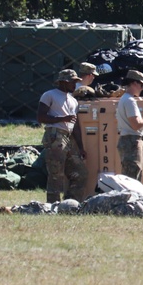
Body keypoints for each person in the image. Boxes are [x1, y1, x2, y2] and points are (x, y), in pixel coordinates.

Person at [36, 69, 88, 203]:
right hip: (55, 135)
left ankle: (70, 203)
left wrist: (81, 147)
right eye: (72, 82)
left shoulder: (73, 101)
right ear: (64, 82)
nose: (74, 85)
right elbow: (41, 117)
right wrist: (61, 118)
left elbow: (75, 125)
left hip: (69, 137)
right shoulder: (49, 95)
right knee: (56, 174)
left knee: (80, 173)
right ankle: (52, 205)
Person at [115, 70, 143, 181]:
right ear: (134, 83)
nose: (142, 88)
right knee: (132, 178)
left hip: (127, 140)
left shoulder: (124, 99)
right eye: (141, 85)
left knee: (130, 176)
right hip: (131, 141)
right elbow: (136, 125)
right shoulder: (129, 100)